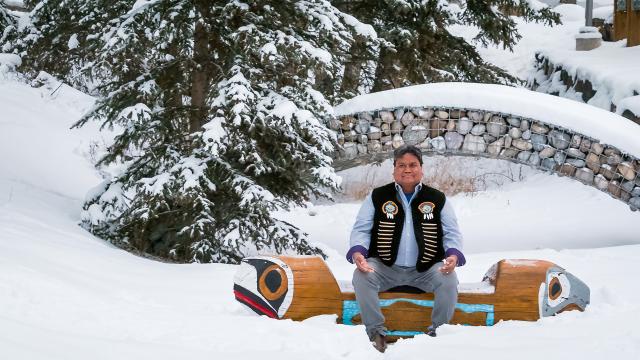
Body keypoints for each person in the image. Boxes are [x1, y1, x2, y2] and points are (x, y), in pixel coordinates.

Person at [346, 144, 465, 353]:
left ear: (421, 168)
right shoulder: (377, 196)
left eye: (413, 164)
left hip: (425, 270)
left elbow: (452, 232)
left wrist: (453, 255)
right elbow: (361, 229)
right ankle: (376, 333)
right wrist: (358, 252)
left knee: (449, 280)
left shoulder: (437, 199)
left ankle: (437, 334)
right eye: (401, 165)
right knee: (361, 276)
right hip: (385, 268)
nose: (407, 169)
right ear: (394, 169)